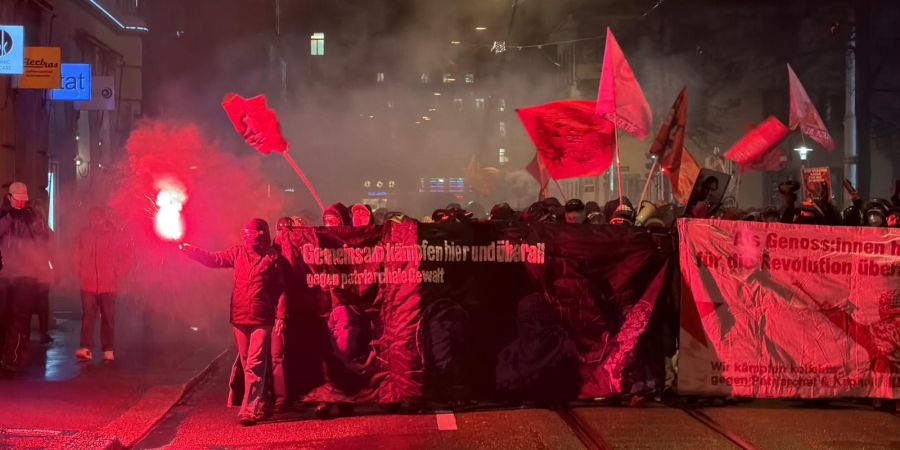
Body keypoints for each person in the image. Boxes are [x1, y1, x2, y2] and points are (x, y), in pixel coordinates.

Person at [181, 219, 289, 426]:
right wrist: (192, 252)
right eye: (245, 232)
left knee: (255, 364)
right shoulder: (238, 253)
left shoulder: (273, 259)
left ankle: (249, 409)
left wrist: (281, 316)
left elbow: (282, 291)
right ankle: (263, 402)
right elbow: (214, 260)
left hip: (262, 318)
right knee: (248, 362)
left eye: (252, 232)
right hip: (240, 318)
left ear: (261, 234)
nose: (248, 236)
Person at [0, 182, 54, 372]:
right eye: (18, 200)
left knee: (18, 317)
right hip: (5, 275)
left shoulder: (32, 218)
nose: (21, 204)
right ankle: (7, 355)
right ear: (10, 197)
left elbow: (44, 241)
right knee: (4, 317)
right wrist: (8, 218)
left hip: (26, 276)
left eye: (24, 200)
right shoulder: (3, 216)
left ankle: (12, 359)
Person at [73, 207, 131, 362]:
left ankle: (108, 349)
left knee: (108, 318)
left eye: (97, 217)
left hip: (108, 284)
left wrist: (118, 272)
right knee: (88, 317)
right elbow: (75, 253)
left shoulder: (114, 235)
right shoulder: (84, 234)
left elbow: (126, 255)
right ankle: (86, 348)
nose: (94, 220)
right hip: (88, 283)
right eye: (92, 217)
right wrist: (78, 270)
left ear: (103, 218)